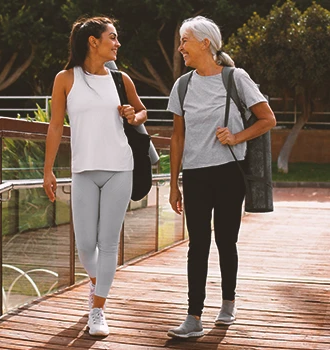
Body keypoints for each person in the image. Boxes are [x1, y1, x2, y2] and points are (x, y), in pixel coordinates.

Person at [167, 16, 276, 338]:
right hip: (196, 175)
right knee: (197, 245)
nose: (180, 47)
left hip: (229, 173)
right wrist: (174, 183)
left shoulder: (235, 77)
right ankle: (193, 317)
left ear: (205, 43)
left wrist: (237, 137)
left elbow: (267, 118)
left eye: (184, 40)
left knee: (226, 241)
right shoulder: (182, 85)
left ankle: (228, 303)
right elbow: (177, 138)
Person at [43, 16, 147, 337]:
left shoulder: (121, 79)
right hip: (83, 170)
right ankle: (97, 283)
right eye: (112, 38)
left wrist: (133, 114)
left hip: (120, 167)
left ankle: (98, 308)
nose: (117, 44)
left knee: (107, 243)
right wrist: (47, 169)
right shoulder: (65, 79)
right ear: (93, 42)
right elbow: (56, 125)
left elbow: (142, 111)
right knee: (86, 244)